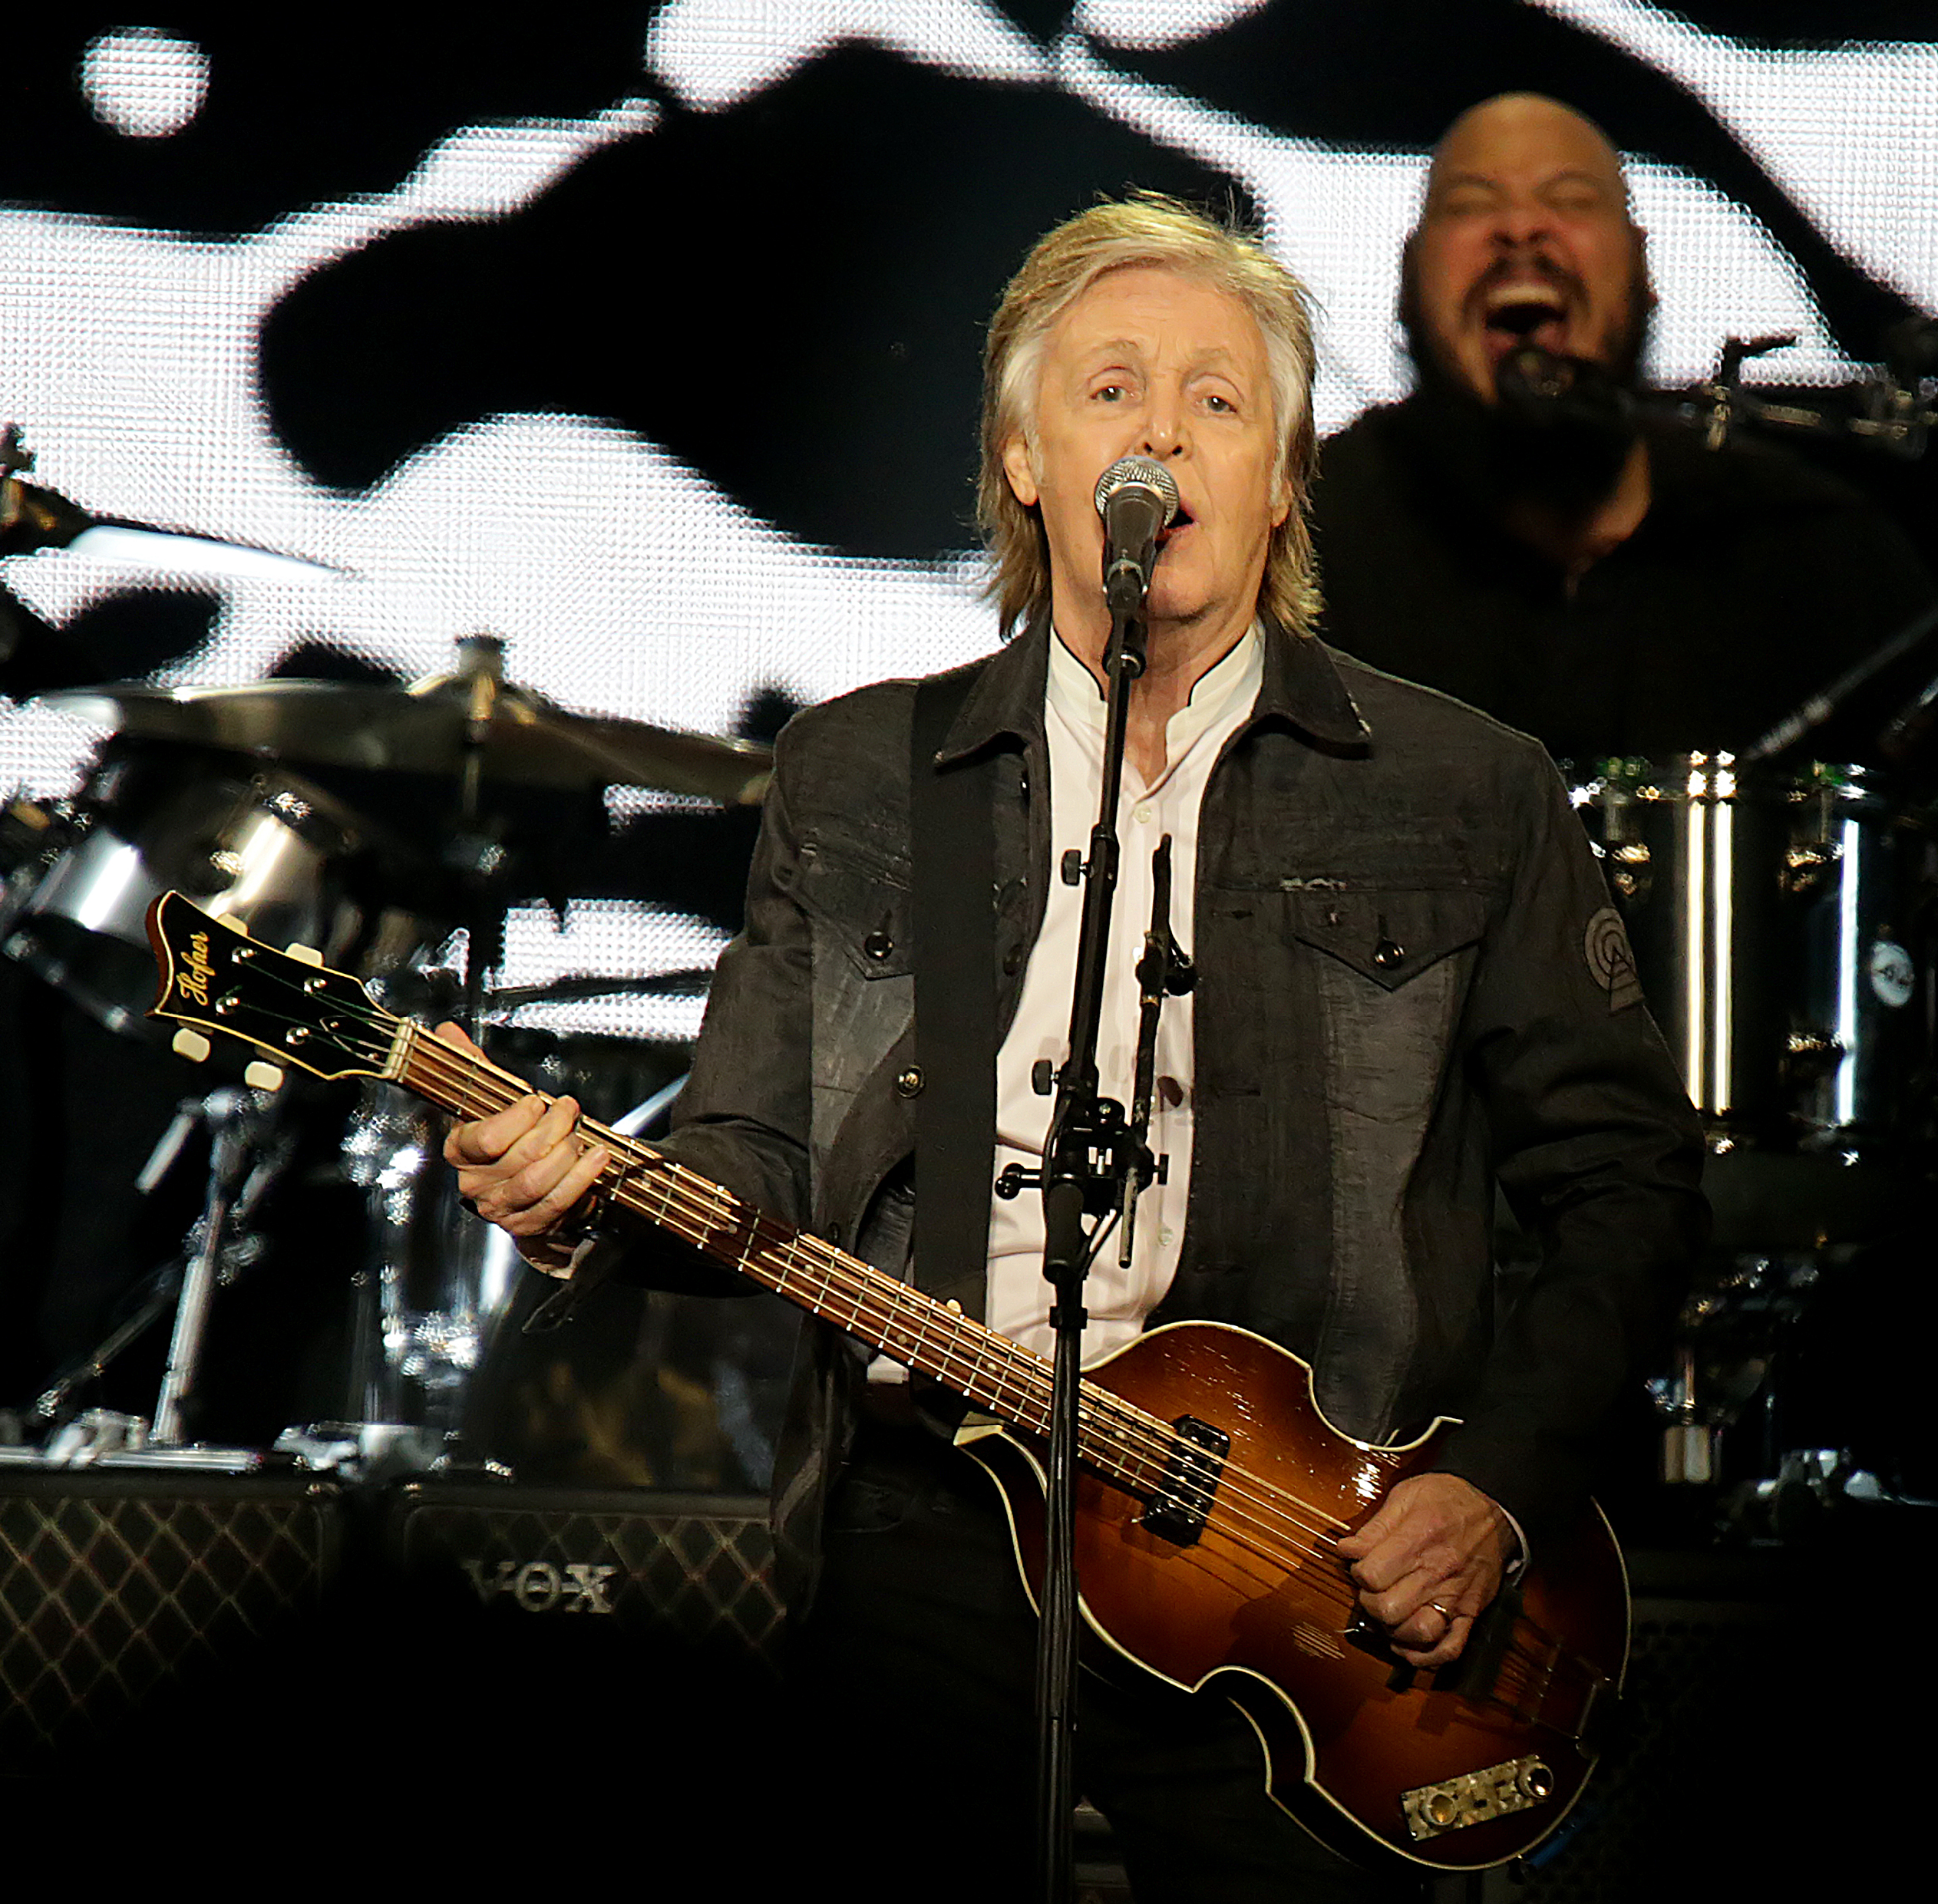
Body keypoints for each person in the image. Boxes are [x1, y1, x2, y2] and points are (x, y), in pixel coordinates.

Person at [442, 194, 1705, 1899]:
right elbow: (752, 1165)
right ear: (1026, 459)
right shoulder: (865, 777)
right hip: (930, 1517)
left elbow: (1627, 1179)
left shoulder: (1464, 790)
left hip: (1313, 1550)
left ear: (1282, 476)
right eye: (1112, 390)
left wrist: (1493, 1484)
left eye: (1218, 398)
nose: (1163, 433)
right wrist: (585, 1193)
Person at [1315, 93, 1936, 764]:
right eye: (1470, 204)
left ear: (1643, 273)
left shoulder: (1814, 544)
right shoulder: (1305, 543)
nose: (1521, 226)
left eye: (1572, 199)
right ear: (1410, 279)